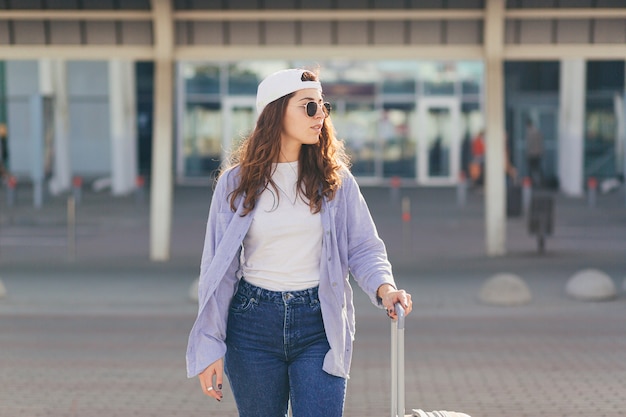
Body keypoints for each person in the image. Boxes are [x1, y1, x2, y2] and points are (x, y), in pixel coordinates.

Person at [186, 68, 413, 417]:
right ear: (276, 113)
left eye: (323, 106)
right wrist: (209, 345)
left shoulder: (335, 180)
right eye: (309, 106)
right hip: (251, 325)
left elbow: (363, 246)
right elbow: (218, 269)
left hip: (318, 322)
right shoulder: (235, 183)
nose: (320, 114)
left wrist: (385, 288)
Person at [525, 118, 544, 187]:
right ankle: (540, 183)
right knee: (538, 169)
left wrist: (528, 153)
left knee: (532, 169)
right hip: (538, 153)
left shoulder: (530, 132)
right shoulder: (537, 131)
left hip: (532, 154)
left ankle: (533, 183)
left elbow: (530, 144)